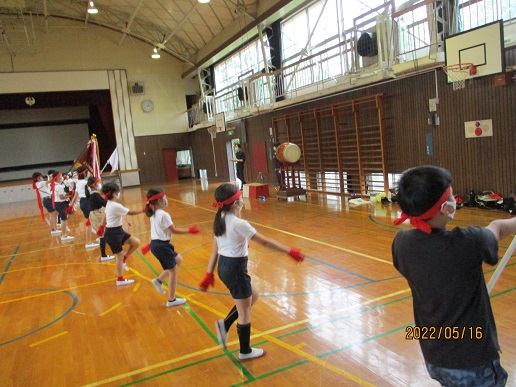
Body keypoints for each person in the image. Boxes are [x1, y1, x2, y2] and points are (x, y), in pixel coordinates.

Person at [391, 165, 516, 387]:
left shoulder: (401, 243)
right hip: (472, 361)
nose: (455, 201)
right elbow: (496, 229)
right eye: (451, 198)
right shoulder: (467, 243)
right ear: (443, 209)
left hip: (434, 356)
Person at [199, 183, 304, 361]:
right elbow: (264, 242)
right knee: (245, 311)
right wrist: (289, 251)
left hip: (225, 266)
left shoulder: (220, 218)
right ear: (236, 203)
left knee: (253, 295)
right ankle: (245, 351)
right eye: (240, 198)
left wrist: (210, 273)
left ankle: (224, 325)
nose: (242, 200)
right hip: (235, 269)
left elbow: (215, 250)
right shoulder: (239, 223)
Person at [144, 188, 201, 307]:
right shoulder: (164, 215)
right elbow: (174, 230)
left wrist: (150, 245)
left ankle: (158, 281)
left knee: (178, 260)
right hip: (162, 246)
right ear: (159, 200)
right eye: (165, 197)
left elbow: (156, 232)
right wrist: (189, 230)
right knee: (173, 271)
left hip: (158, 244)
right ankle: (171, 300)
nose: (166, 199)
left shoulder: (153, 213)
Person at [99, 183, 142, 286]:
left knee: (136, 242)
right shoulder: (114, 205)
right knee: (119, 256)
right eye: (117, 191)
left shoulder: (109, 203)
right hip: (112, 233)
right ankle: (120, 279)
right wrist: (144, 210)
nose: (119, 193)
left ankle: (124, 259)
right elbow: (130, 213)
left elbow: (105, 215)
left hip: (119, 231)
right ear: (113, 194)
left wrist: (101, 226)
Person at [85, 176, 114, 262]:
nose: (99, 184)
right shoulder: (95, 195)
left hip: (95, 214)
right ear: (94, 185)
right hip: (97, 214)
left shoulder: (92, 194)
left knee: (104, 233)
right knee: (102, 235)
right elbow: (106, 204)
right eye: (97, 182)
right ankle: (104, 255)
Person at [75, 166, 99, 249]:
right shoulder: (85, 183)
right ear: (85, 172)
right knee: (89, 222)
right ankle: (88, 242)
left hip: (83, 202)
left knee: (93, 220)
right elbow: (95, 188)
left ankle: (99, 235)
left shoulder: (79, 182)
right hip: (86, 202)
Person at [50, 171, 74, 241]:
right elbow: (61, 197)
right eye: (60, 176)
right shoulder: (59, 186)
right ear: (57, 177)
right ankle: (64, 235)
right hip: (60, 204)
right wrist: (71, 195)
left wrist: (68, 194)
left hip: (58, 203)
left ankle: (64, 225)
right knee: (64, 219)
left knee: (72, 212)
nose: (62, 177)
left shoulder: (54, 185)